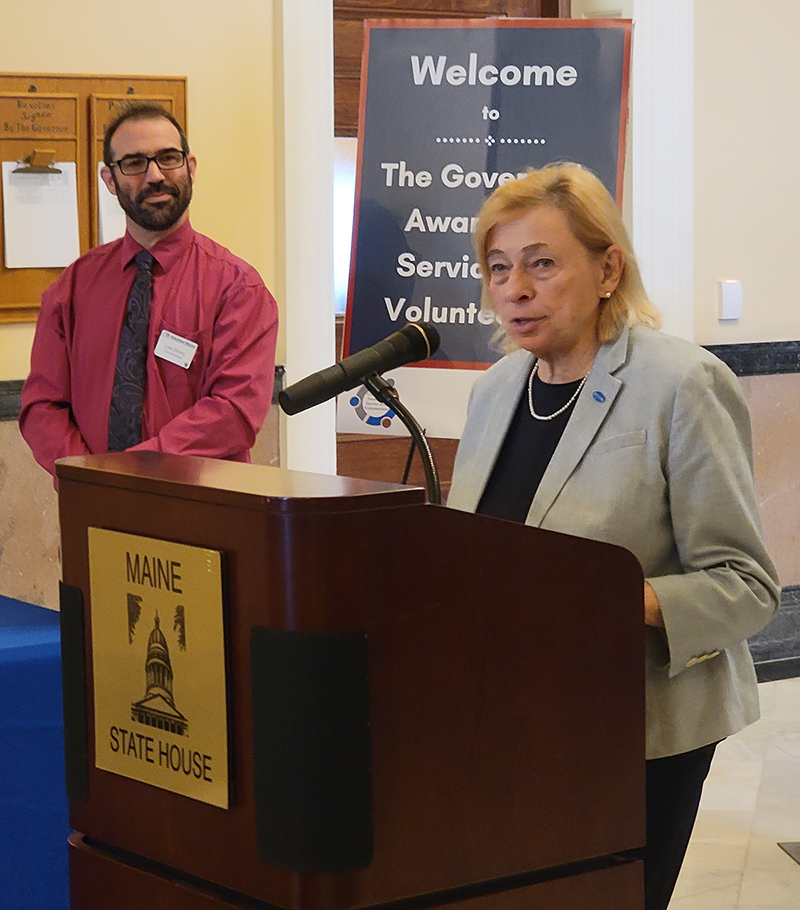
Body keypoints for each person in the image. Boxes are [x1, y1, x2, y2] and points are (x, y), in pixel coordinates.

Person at [447, 163, 780, 910]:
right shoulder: (495, 390)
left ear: (607, 268)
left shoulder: (681, 384)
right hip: (510, 719)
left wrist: (614, 601)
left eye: (541, 263)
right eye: (499, 268)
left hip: (637, 736)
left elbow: (747, 585)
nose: (515, 288)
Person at [20, 101, 278, 477]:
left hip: (203, 513)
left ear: (190, 168)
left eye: (168, 158)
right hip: (93, 507)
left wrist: (132, 470)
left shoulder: (238, 290)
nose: (155, 175)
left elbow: (235, 411)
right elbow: (42, 405)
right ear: (110, 180)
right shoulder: (71, 289)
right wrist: (89, 475)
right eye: (135, 163)